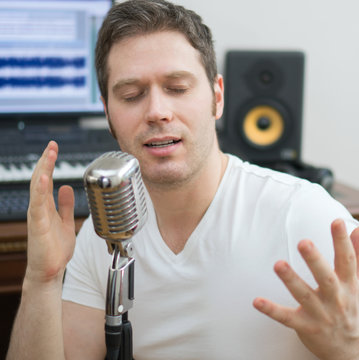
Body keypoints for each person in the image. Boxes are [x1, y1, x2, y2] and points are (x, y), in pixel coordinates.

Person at [6, 0, 359, 359]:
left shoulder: (303, 216)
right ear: (108, 114)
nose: (157, 111)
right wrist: (42, 279)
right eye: (132, 95)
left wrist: (348, 349)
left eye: (177, 88)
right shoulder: (102, 236)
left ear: (217, 97)